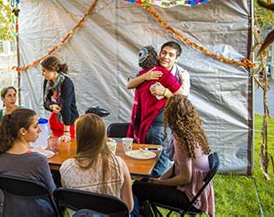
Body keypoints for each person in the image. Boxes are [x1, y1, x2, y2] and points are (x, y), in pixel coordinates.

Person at [133, 95, 215, 216]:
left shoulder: (182, 140)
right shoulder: (193, 131)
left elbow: (185, 178)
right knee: (144, 182)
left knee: (137, 188)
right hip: (195, 191)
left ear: (169, 115)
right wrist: (159, 179)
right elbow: (177, 166)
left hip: (189, 197)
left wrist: (159, 183)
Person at [60, 114, 135, 215]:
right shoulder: (118, 164)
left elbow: (68, 201)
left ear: (78, 137)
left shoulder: (66, 168)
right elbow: (128, 207)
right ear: (102, 136)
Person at [127, 46, 184, 177]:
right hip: (148, 124)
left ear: (176, 58)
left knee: (158, 164)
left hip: (160, 124)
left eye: (171, 55)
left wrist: (164, 92)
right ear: (158, 55)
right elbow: (129, 84)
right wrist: (146, 76)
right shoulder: (149, 72)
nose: (166, 57)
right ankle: (148, 189)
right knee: (151, 163)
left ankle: (151, 189)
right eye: (164, 53)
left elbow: (183, 100)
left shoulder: (181, 75)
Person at [0, 108, 57, 216]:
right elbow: (54, 194)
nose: (40, 130)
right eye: (35, 126)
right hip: (36, 212)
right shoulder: (38, 160)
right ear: (23, 131)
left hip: (8, 212)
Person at [42, 55, 79, 142]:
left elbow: (66, 107)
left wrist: (66, 131)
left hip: (68, 122)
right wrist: (51, 107)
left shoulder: (66, 83)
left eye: (44, 71)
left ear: (53, 70)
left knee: (69, 148)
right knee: (56, 149)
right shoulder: (47, 82)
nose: (42, 73)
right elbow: (45, 103)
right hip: (55, 122)